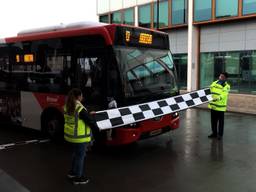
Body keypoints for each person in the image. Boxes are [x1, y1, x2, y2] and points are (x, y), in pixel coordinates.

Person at [64, 88, 96, 185]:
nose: (82, 97)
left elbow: (78, 117)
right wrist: (98, 127)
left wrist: (88, 114)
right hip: (80, 137)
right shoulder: (79, 108)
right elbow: (89, 121)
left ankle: (72, 173)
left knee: (75, 154)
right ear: (78, 97)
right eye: (81, 95)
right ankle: (78, 177)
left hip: (71, 136)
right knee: (80, 156)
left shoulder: (67, 106)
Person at [208, 72, 230, 140]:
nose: (220, 77)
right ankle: (214, 133)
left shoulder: (226, 86)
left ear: (225, 78)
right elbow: (209, 89)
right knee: (213, 121)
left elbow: (224, 94)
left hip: (220, 107)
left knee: (221, 122)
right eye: (220, 76)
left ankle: (220, 135)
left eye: (222, 77)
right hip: (213, 105)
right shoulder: (214, 83)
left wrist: (218, 98)